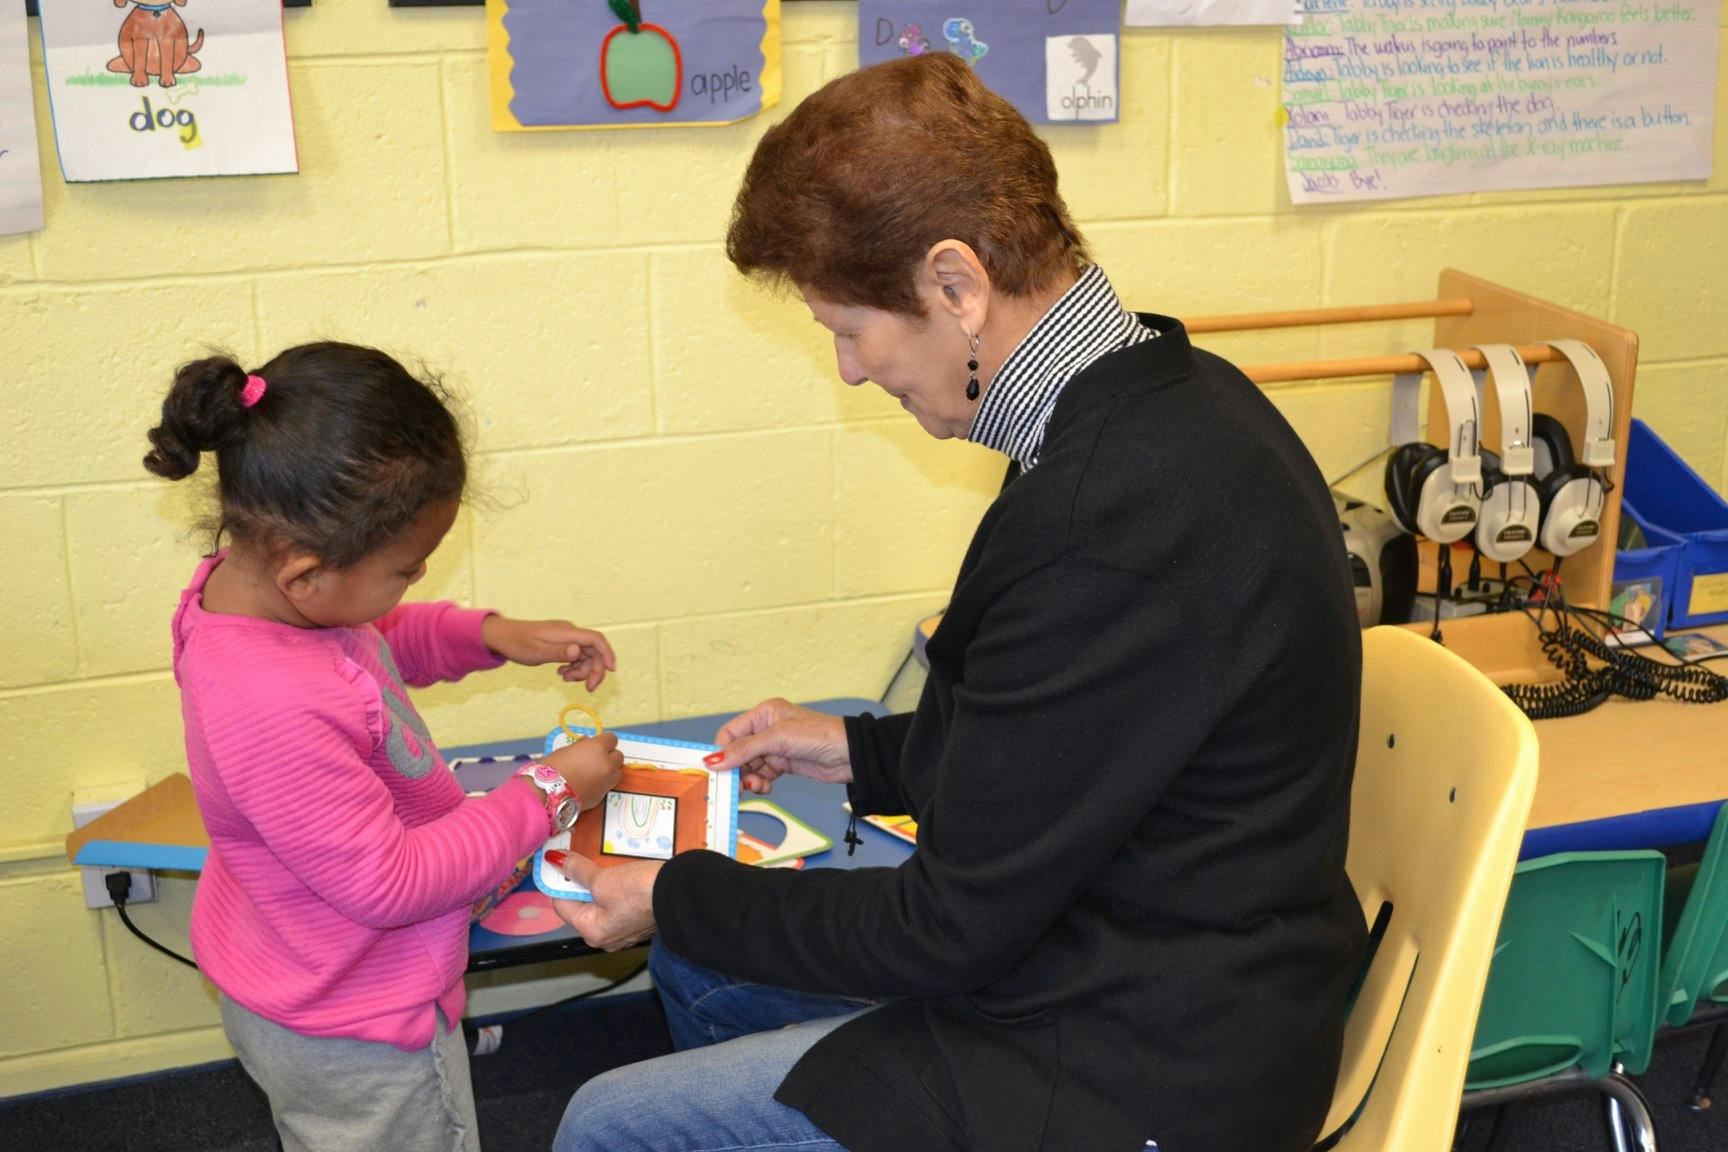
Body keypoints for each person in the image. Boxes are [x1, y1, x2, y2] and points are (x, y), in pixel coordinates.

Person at [552, 53, 1365, 1152]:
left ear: (956, 285)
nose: (849, 370)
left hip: (1143, 1066)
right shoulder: (1168, 394)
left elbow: (943, 929)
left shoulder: (1101, 524)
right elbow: (1064, 749)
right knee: (708, 963)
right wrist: (857, 751)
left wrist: (672, 895)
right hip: (1129, 953)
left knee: (610, 1123)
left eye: (850, 329)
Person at [146, 342, 626, 1152]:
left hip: (305, 970)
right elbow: (390, 881)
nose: (420, 578)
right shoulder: (270, 699)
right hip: (358, 1021)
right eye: (406, 569)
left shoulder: (258, 594)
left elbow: (364, 642)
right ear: (305, 573)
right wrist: (548, 792)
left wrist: (490, 636)